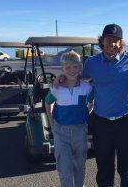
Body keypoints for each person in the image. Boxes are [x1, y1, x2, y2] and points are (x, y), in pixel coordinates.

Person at [55, 24, 128, 187]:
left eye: (116, 40)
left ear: (121, 43)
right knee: (104, 168)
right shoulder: (92, 63)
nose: (112, 43)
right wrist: (62, 76)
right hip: (101, 122)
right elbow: (76, 77)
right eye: (109, 39)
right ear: (102, 41)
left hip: (124, 122)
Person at [45, 50, 93, 187]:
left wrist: (85, 116)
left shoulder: (86, 87)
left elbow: (91, 102)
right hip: (61, 132)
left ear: (80, 68)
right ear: (63, 69)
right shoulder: (56, 87)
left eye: (75, 66)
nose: (71, 70)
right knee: (64, 169)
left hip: (80, 131)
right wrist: (52, 124)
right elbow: (47, 102)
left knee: (79, 166)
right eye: (67, 67)